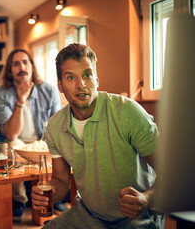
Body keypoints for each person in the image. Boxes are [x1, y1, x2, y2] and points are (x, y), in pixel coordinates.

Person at [31, 43, 165, 228]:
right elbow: (61, 180)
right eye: (71, 78)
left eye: (87, 75)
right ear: (60, 86)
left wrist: (147, 199)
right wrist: (47, 196)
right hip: (88, 215)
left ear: (97, 79)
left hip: (137, 218)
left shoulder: (128, 112)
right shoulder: (55, 125)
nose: (81, 85)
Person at [0, 49, 66, 221]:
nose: (22, 67)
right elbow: (10, 133)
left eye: (25, 62)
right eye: (16, 64)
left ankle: (54, 194)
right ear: (10, 71)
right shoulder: (0, 93)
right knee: (9, 145)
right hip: (16, 141)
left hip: (42, 140)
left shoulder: (48, 90)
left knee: (55, 144)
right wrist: (21, 99)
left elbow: (57, 125)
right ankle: (19, 200)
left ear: (32, 66)